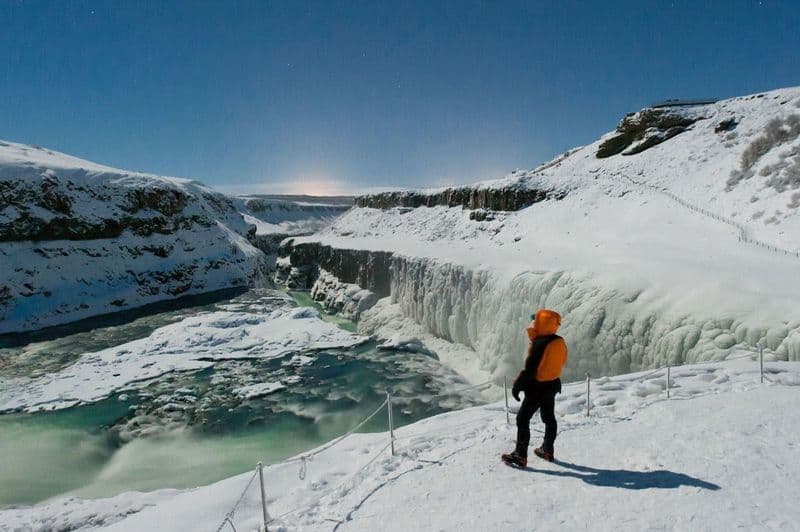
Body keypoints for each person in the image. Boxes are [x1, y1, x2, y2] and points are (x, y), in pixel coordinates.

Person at [502, 309, 568, 467]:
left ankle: (520, 455)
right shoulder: (559, 341)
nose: (534, 323)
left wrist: (518, 386)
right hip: (552, 385)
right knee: (549, 418)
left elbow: (530, 369)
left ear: (542, 323)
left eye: (536, 320)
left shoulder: (540, 343)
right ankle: (547, 449)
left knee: (522, 419)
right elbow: (563, 361)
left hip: (538, 388)